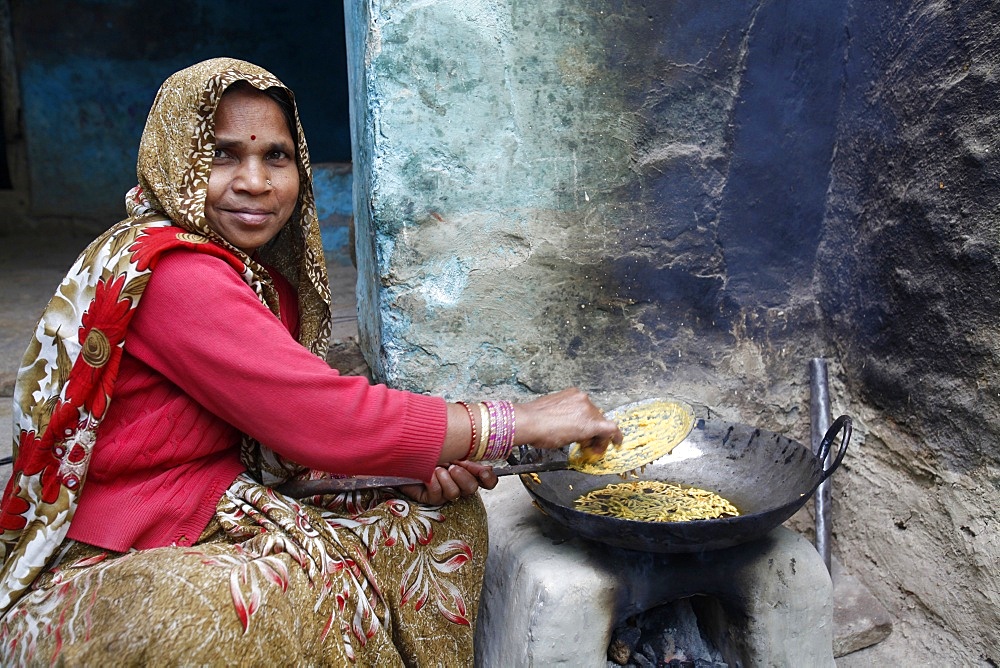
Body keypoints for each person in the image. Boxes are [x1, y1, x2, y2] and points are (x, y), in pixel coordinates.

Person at [0, 58, 621, 665]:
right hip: (119, 545)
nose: (255, 182)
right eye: (222, 154)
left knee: (435, 519)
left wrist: (396, 468)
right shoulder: (172, 274)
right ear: (173, 157)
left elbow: (278, 433)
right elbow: (325, 419)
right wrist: (514, 421)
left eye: (277, 155)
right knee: (221, 612)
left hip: (209, 500)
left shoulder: (250, 277)